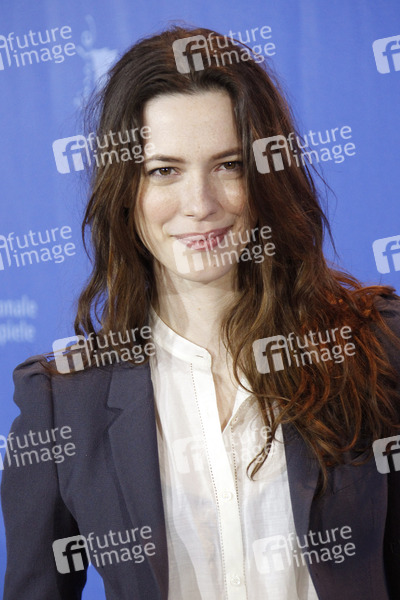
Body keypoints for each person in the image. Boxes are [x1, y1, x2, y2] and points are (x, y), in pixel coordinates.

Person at [2, 25, 400, 600]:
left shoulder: (377, 347)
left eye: (228, 165)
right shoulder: (62, 402)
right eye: (164, 170)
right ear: (125, 189)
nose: (200, 204)